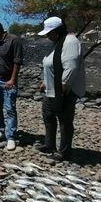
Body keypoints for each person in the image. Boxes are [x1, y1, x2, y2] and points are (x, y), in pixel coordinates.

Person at [37, 16, 86, 160]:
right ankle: (49, 144)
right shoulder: (58, 42)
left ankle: (64, 151)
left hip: (64, 91)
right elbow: (51, 65)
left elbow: (71, 68)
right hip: (51, 90)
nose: (47, 36)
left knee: (64, 121)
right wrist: (45, 82)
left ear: (58, 30)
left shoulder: (70, 42)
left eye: (49, 32)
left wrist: (63, 89)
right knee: (48, 116)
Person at [0, 20, 24, 151]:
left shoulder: (14, 40)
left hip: (8, 80)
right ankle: (0, 130)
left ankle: (11, 137)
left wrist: (13, 79)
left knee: (10, 109)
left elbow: (17, 61)